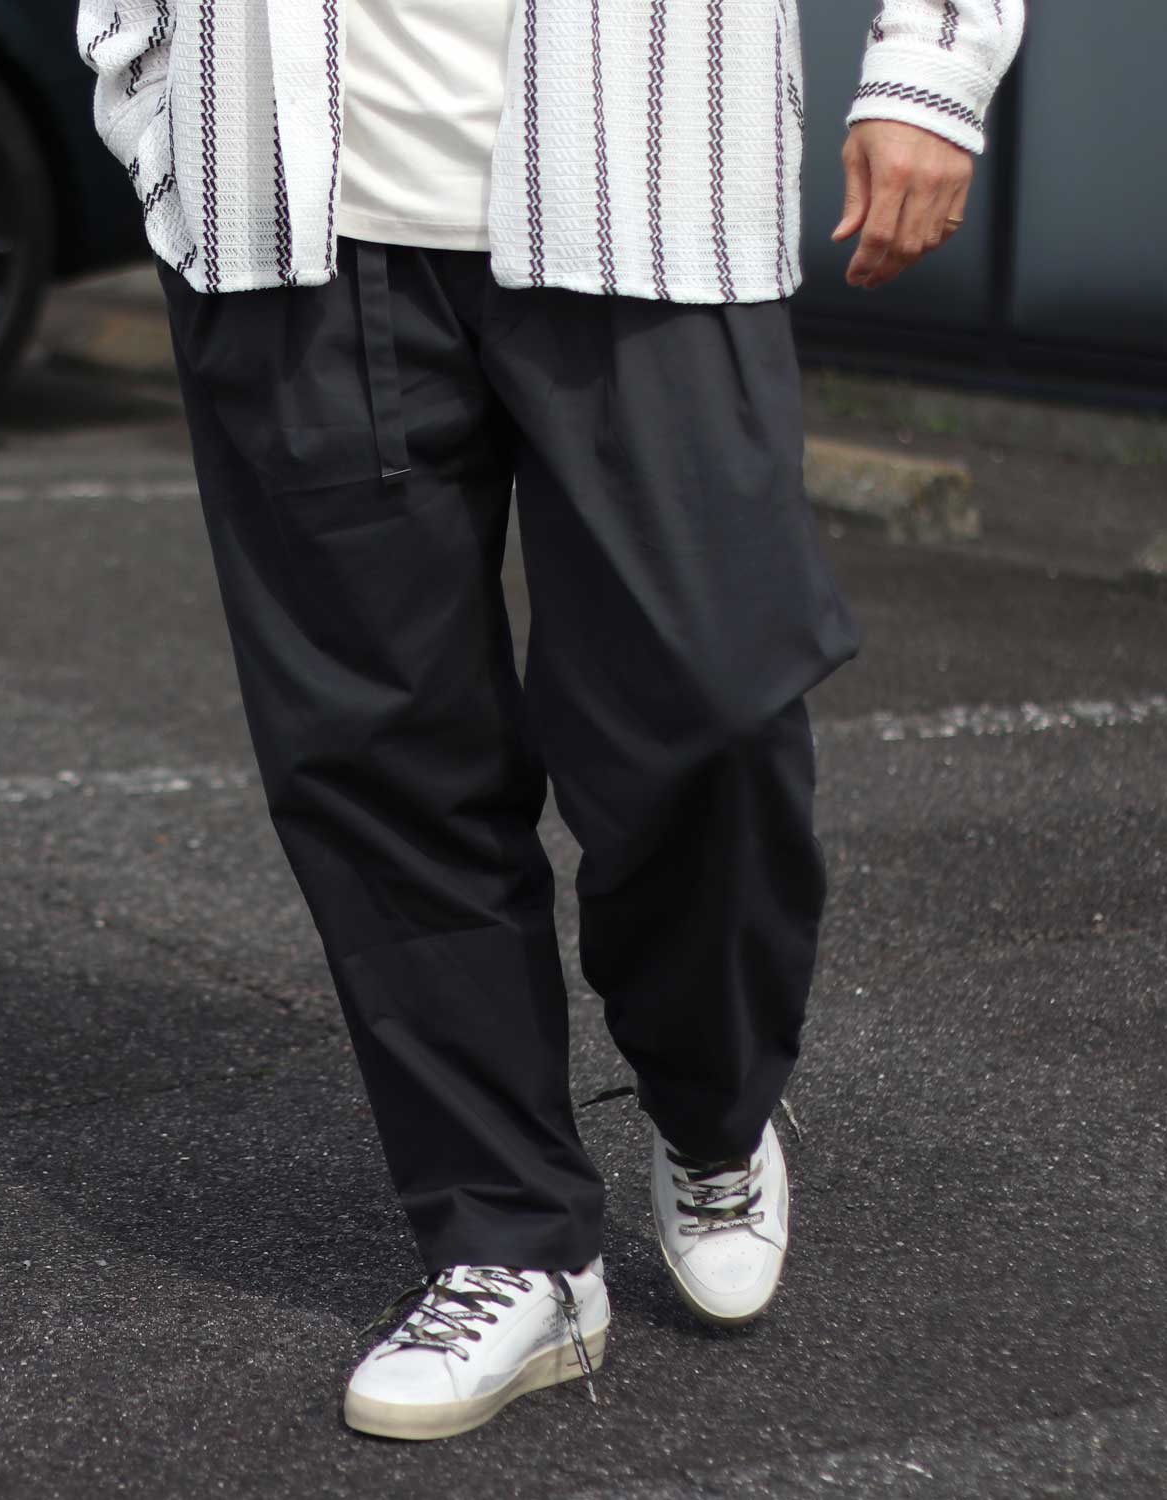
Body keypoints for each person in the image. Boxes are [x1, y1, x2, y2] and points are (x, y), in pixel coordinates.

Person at [76, 0, 1024, 1441]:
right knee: (375, 747)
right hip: (289, 209)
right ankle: (509, 1241)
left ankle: (713, 1106)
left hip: (653, 187)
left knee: (715, 702)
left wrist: (930, 72)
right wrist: (152, 97)